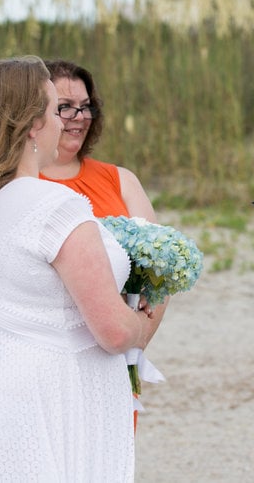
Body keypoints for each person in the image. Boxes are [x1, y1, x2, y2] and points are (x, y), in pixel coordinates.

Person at [0, 55, 160, 481]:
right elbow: (114, 333)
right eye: (54, 109)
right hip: (52, 407)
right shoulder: (56, 208)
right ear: (31, 125)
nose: (66, 122)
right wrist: (142, 324)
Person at [38, 58, 167, 346]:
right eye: (65, 106)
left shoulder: (120, 180)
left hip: (120, 345)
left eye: (85, 106)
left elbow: (161, 266)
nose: (80, 116)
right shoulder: (20, 185)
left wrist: (133, 345)